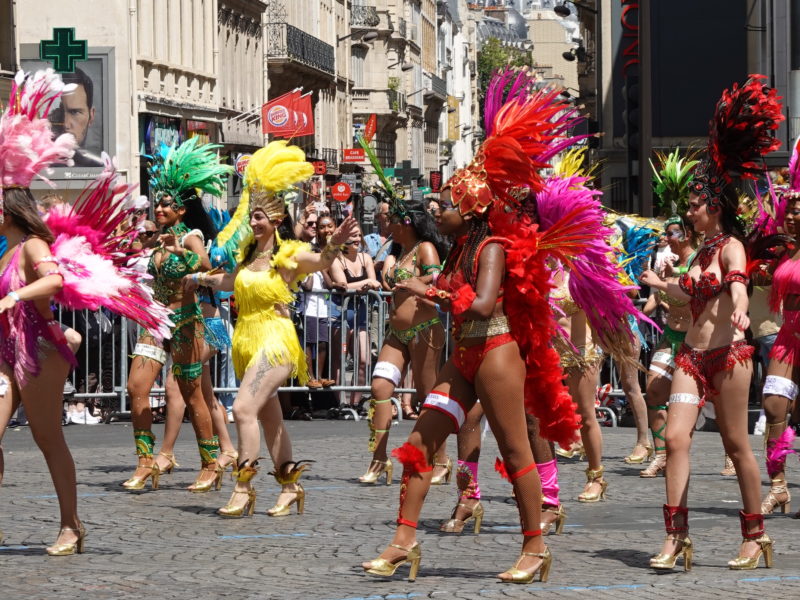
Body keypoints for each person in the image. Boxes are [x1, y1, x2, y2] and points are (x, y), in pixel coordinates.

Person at [361, 71, 588, 584]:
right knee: (421, 439)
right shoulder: (461, 248)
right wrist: (424, 284)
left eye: (446, 203)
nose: (437, 210)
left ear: (472, 209)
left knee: (514, 448)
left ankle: (534, 548)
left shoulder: (489, 249)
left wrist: (429, 290)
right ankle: (403, 541)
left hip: (496, 354)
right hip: (463, 356)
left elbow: (483, 305)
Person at [0, 69, 171, 554]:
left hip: (38, 347)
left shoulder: (33, 245)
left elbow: (55, 279)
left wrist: (17, 296)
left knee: (47, 438)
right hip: (3, 350)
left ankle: (71, 525)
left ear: (9, 207)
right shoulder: (3, 250)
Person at [639, 74, 783, 571]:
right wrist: (662, 285)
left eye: (695, 205)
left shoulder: (730, 246)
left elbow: (738, 281)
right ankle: (675, 537)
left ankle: (754, 536)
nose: (688, 213)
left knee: (736, 444)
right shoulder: (698, 251)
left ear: (714, 206)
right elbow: (686, 294)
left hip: (730, 356)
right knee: (676, 439)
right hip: (691, 358)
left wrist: (741, 305)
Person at [187, 140, 358, 518]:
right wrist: (196, 277)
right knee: (269, 418)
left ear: (277, 220)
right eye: (253, 215)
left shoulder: (289, 255)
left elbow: (320, 261)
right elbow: (228, 282)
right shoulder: (249, 255)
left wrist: (334, 244)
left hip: (276, 340)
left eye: (260, 216)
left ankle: (243, 488)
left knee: (243, 409)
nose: (254, 221)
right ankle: (290, 487)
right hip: (246, 339)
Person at [122, 137, 233, 493]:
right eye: (158, 203)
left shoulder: (189, 237)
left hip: (187, 321)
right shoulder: (153, 241)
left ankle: (210, 462)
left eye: (167, 205)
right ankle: (145, 461)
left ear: (182, 210)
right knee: (136, 386)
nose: (160, 209)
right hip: (154, 322)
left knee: (191, 393)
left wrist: (179, 253)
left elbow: (205, 266)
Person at [357, 169, 448, 485]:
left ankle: (441, 459)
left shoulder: (424, 248)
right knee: (380, 389)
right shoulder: (393, 250)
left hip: (424, 330)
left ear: (405, 223)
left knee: (427, 396)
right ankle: (378, 459)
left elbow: (437, 278)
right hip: (396, 332)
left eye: (391, 220)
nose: (385, 224)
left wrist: (412, 280)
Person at [760, 142, 800, 515]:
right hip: (788, 338)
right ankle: (778, 486)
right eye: (789, 210)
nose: (790, 216)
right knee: (773, 405)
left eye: (798, 211)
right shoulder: (786, 252)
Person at [640, 215, 697, 478]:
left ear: (686, 234)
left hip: (694, 342)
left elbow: (687, 294)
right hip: (669, 336)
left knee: (714, 402)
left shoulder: (699, 260)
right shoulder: (670, 264)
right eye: (666, 232)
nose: (667, 237)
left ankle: (731, 454)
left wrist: (661, 282)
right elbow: (657, 296)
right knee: (653, 392)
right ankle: (661, 455)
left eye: (673, 233)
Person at [330, 227, 380, 408]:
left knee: (364, 359)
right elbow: (343, 285)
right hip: (341, 313)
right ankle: (340, 404)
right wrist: (366, 283)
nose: (357, 239)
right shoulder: (336, 259)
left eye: (359, 235)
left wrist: (366, 284)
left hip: (361, 313)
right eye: (352, 236)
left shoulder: (365, 258)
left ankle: (355, 402)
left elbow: (375, 282)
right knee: (339, 359)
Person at [300, 213, 336, 388]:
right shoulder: (306, 268)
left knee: (322, 342)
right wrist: (311, 268)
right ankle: (311, 376)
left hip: (322, 307)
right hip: (308, 307)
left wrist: (321, 267)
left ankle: (320, 376)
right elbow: (306, 286)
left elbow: (329, 284)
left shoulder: (321, 265)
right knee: (309, 343)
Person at [55, 68, 103, 167]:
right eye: (60, 112)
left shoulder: (98, 164)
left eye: (75, 112)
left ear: (91, 116)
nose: (65, 124)